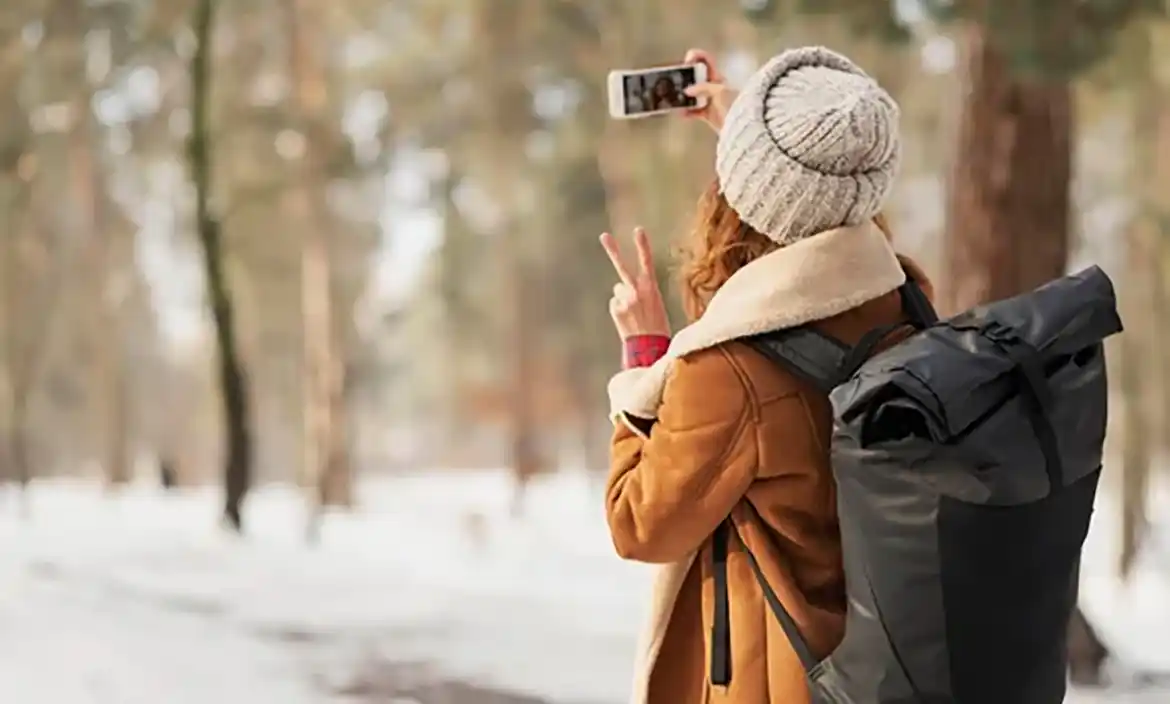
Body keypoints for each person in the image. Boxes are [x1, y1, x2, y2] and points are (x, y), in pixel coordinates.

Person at [599, 47, 933, 704]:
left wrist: (645, 360)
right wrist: (745, 129)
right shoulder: (909, 305)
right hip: (883, 673)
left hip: (776, 681)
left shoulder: (728, 370)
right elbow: (824, 213)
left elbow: (639, 524)